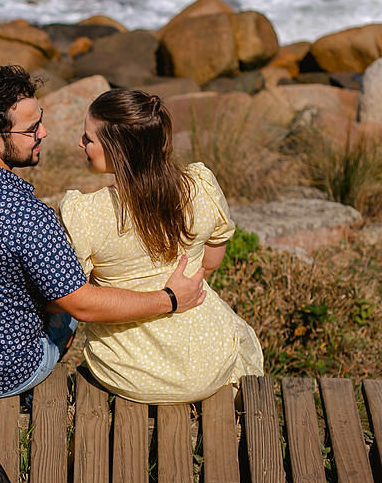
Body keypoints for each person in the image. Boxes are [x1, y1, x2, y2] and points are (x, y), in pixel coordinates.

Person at [0, 65, 206, 399]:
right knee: (65, 305)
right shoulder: (32, 215)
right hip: (14, 374)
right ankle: (29, 394)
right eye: (32, 129)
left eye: (40, 120)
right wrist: (170, 299)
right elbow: (82, 306)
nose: (43, 133)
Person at [58, 87, 263, 403]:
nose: (81, 144)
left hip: (131, 369)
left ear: (117, 150)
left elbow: (81, 302)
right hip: (209, 359)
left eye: (88, 139)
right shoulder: (199, 186)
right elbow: (211, 261)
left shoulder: (85, 215)